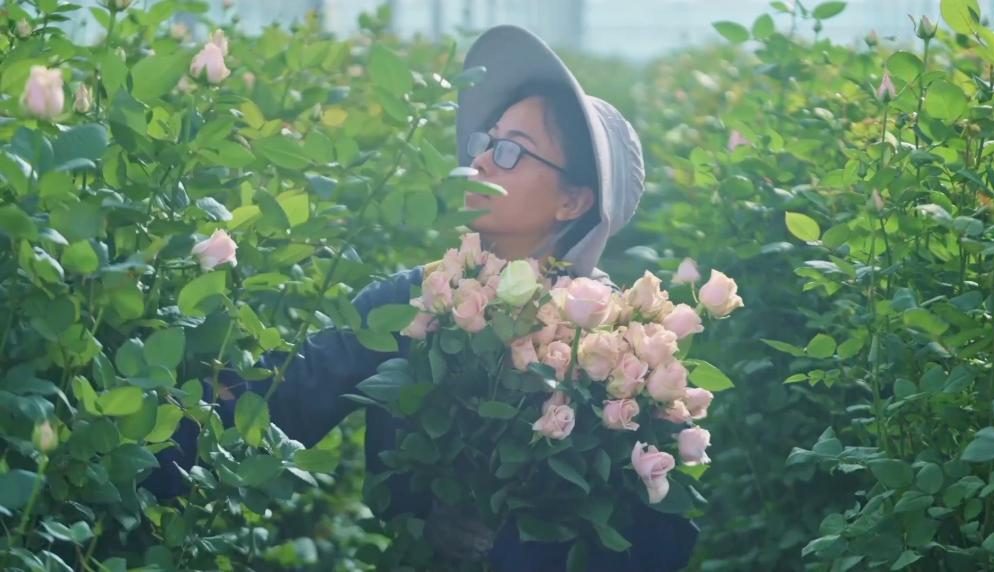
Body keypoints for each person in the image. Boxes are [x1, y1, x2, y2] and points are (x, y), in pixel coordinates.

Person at [149, 25, 699, 571]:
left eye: (511, 151)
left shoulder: (621, 352)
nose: (481, 161)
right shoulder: (419, 299)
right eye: (486, 142)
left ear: (573, 201)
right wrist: (133, 442)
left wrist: (515, 548)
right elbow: (284, 394)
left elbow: (658, 538)